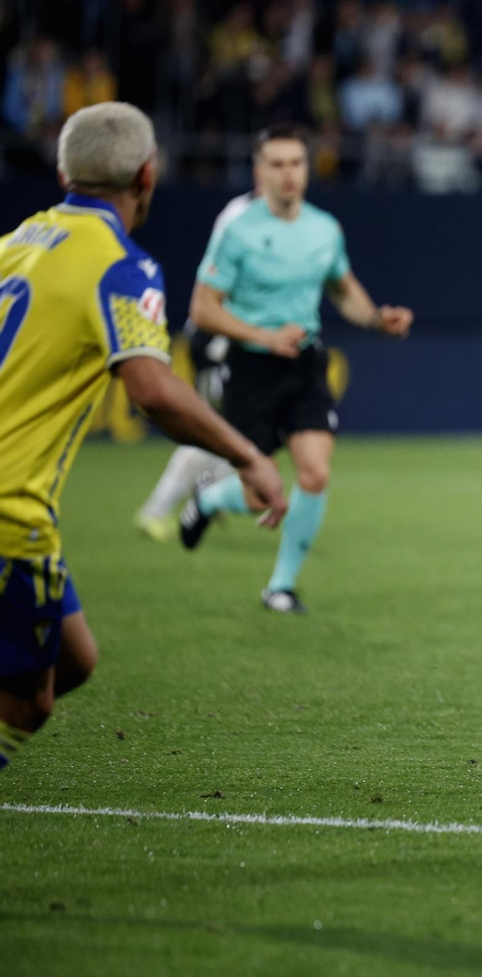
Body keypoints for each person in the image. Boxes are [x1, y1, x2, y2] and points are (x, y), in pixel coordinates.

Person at [0, 102, 287, 770]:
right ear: (148, 175)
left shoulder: (15, 242)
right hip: (10, 511)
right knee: (28, 701)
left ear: (65, 169)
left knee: (75, 661)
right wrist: (247, 455)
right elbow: (153, 392)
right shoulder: (121, 265)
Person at [177, 126, 413, 614]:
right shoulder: (237, 233)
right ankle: (209, 501)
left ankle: (279, 588)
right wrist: (263, 336)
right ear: (259, 173)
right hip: (249, 368)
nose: (288, 174)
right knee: (259, 496)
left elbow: (341, 288)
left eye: (296, 164)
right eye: (277, 164)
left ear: (308, 170)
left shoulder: (324, 228)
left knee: (315, 474)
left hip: (304, 365)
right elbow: (202, 309)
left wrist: (375, 318)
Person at [134, 189, 256, 541]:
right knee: (210, 431)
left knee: (232, 433)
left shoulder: (261, 214)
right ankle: (158, 511)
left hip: (234, 342)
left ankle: (208, 494)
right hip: (217, 340)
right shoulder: (241, 215)